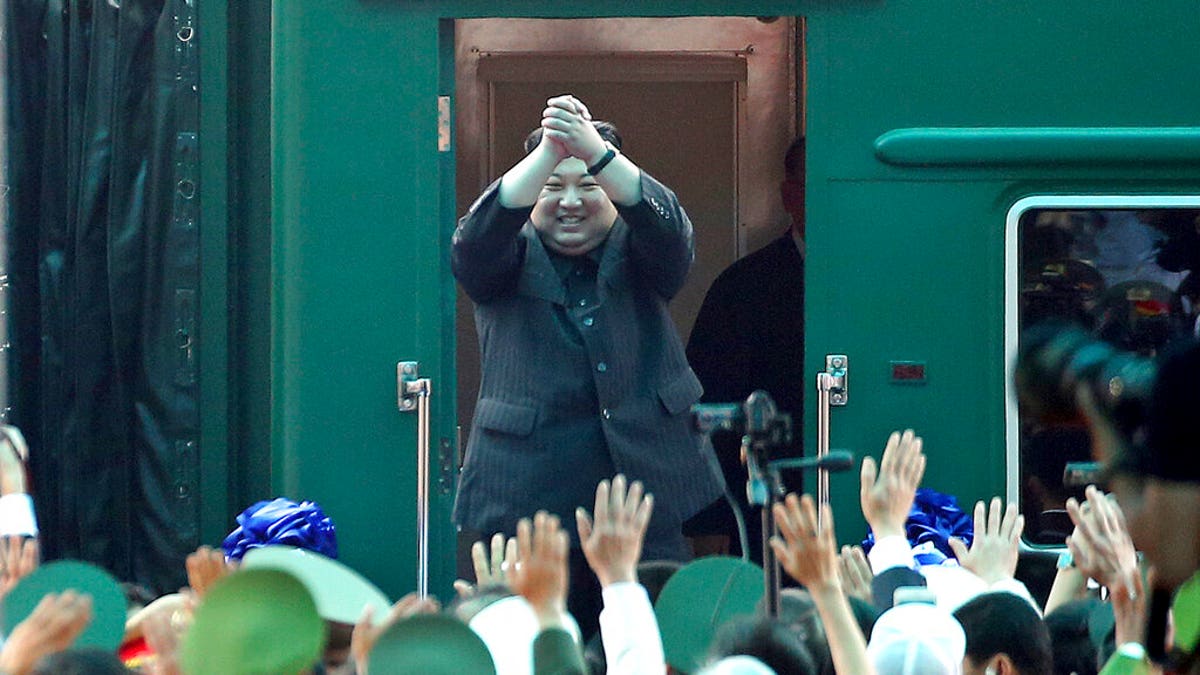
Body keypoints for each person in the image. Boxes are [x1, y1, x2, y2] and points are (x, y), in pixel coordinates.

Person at [451, 94, 723, 634]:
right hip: (527, 501)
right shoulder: (503, 257)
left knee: (655, 644)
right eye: (553, 187)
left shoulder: (645, 251)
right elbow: (473, 242)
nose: (570, 202)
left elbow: (671, 230)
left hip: (643, 500)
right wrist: (551, 151)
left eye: (589, 186)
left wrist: (594, 151)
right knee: (533, 647)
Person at [684, 137, 807, 560]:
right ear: (789, 195)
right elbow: (706, 413)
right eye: (813, 186)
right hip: (759, 512)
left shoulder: (882, 285)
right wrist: (710, 523)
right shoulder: (742, 289)